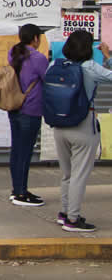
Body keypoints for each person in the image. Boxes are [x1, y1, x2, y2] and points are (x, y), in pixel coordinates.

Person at [51, 30, 108, 232]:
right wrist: (109, 56)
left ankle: (65, 212)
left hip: (59, 125)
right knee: (79, 175)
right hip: (83, 126)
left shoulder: (56, 65)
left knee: (67, 174)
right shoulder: (90, 67)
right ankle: (73, 220)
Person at [6, 24, 48, 207]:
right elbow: (48, 79)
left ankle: (18, 189)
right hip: (30, 109)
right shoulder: (38, 58)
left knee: (17, 150)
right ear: (36, 38)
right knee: (25, 152)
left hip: (14, 107)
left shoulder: (13, 52)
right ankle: (20, 194)